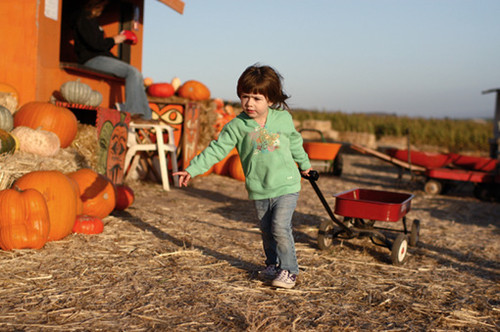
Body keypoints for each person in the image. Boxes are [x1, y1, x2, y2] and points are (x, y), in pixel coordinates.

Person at [174, 64, 312, 289]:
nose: (249, 103)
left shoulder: (283, 119)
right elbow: (216, 150)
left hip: (286, 185)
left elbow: (296, 143)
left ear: (270, 99)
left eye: (257, 98)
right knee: (267, 230)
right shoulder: (237, 125)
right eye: (245, 97)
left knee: (279, 227)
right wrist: (192, 169)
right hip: (259, 187)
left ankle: (289, 270)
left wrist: (305, 166)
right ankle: (273, 264)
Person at [72, 0, 153, 122]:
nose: (102, 9)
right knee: (132, 72)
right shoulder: (84, 18)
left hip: (99, 58)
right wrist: (116, 39)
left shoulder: (93, 21)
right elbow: (96, 44)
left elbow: (101, 48)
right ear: (95, 5)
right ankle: (133, 112)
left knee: (135, 73)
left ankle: (146, 117)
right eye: (102, 6)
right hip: (90, 60)